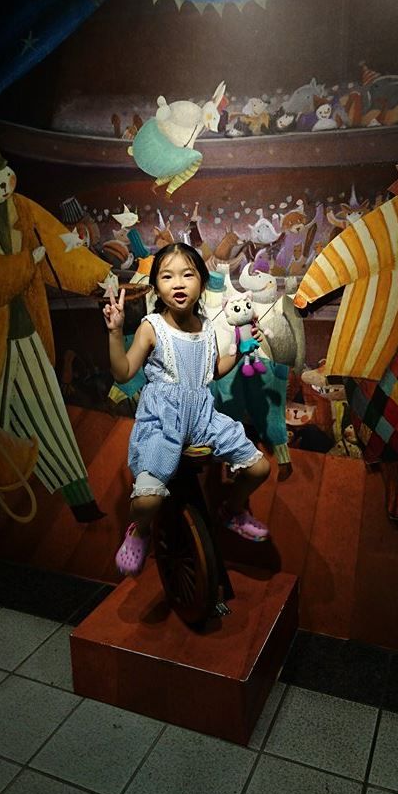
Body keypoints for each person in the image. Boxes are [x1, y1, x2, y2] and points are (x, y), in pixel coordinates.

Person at [103, 242, 271, 574]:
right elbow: (123, 372)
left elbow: (213, 371)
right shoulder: (152, 327)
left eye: (187, 275)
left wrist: (240, 352)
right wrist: (115, 332)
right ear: (156, 286)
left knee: (260, 469)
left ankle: (231, 511)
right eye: (167, 276)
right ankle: (141, 530)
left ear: (202, 282)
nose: (178, 283)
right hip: (162, 422)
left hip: (203, 418)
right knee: (147, 501)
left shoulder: (207, 327)